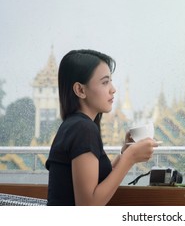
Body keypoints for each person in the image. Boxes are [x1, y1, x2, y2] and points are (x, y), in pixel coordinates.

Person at [45, 49, 158, 206]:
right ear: (80, 90)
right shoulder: (83, 129)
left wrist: (124, 154)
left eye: (110, 81)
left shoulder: (75, 125)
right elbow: (88, 205)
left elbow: (97, 183)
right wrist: (130, 158)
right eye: (105, 82)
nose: (113, 89)